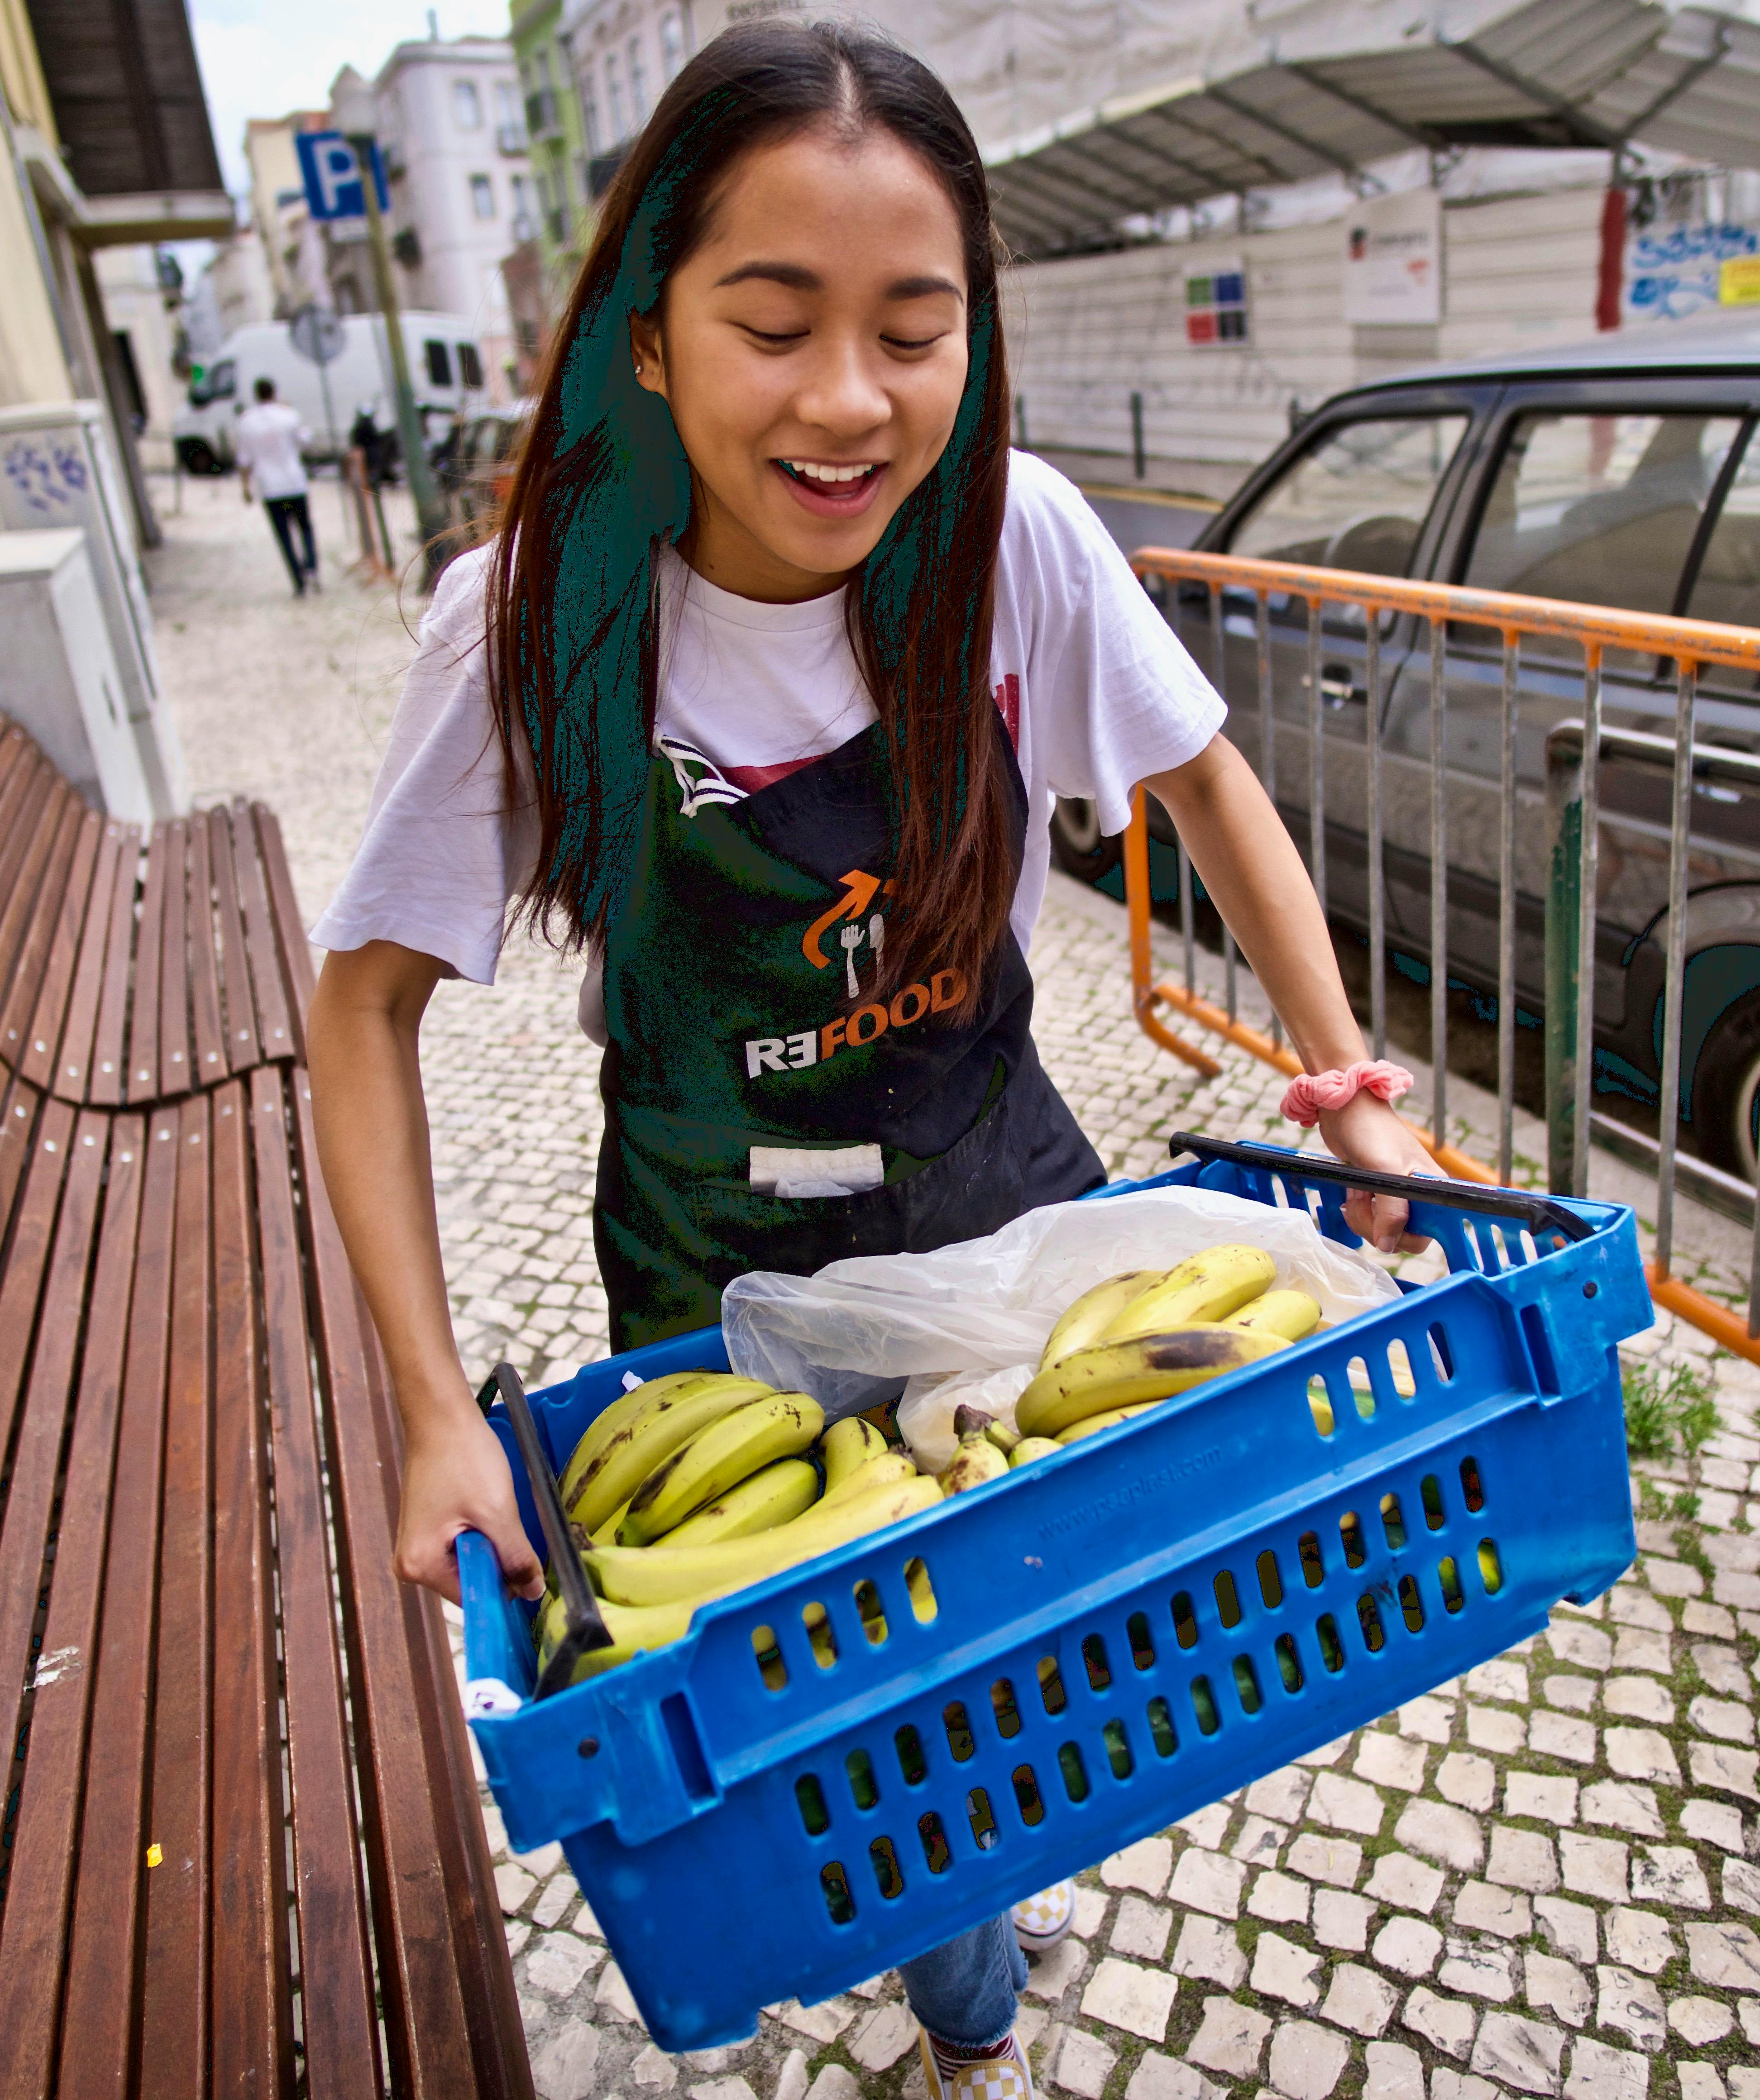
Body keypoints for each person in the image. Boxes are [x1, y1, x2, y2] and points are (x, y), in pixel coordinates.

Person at [306, 20, 1436, 2097]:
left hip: (998, 1200)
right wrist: (426, 1410)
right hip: (710, 1262)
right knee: (859, 1720)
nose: (847, 401)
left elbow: (1204, 783)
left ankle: (987, 1858)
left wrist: (1344, 1073)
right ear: (650, 338)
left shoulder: (1014, 546)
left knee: (1054, 1618)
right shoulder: (532, 621)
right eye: (771, 323)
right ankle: (961, 1965)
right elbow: (360, 1014)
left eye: (912, 330)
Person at [236, 376, 318, 595]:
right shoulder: (288, 415)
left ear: (256, 396)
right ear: (274, 392)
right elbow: (306, 441)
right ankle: (312, 568)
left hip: (269, 486)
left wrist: (245, 487)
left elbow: (244, 459)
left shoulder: (246, 421)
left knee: (284, 536)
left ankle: (298, 581)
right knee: (306, 528)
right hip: (294, 481)